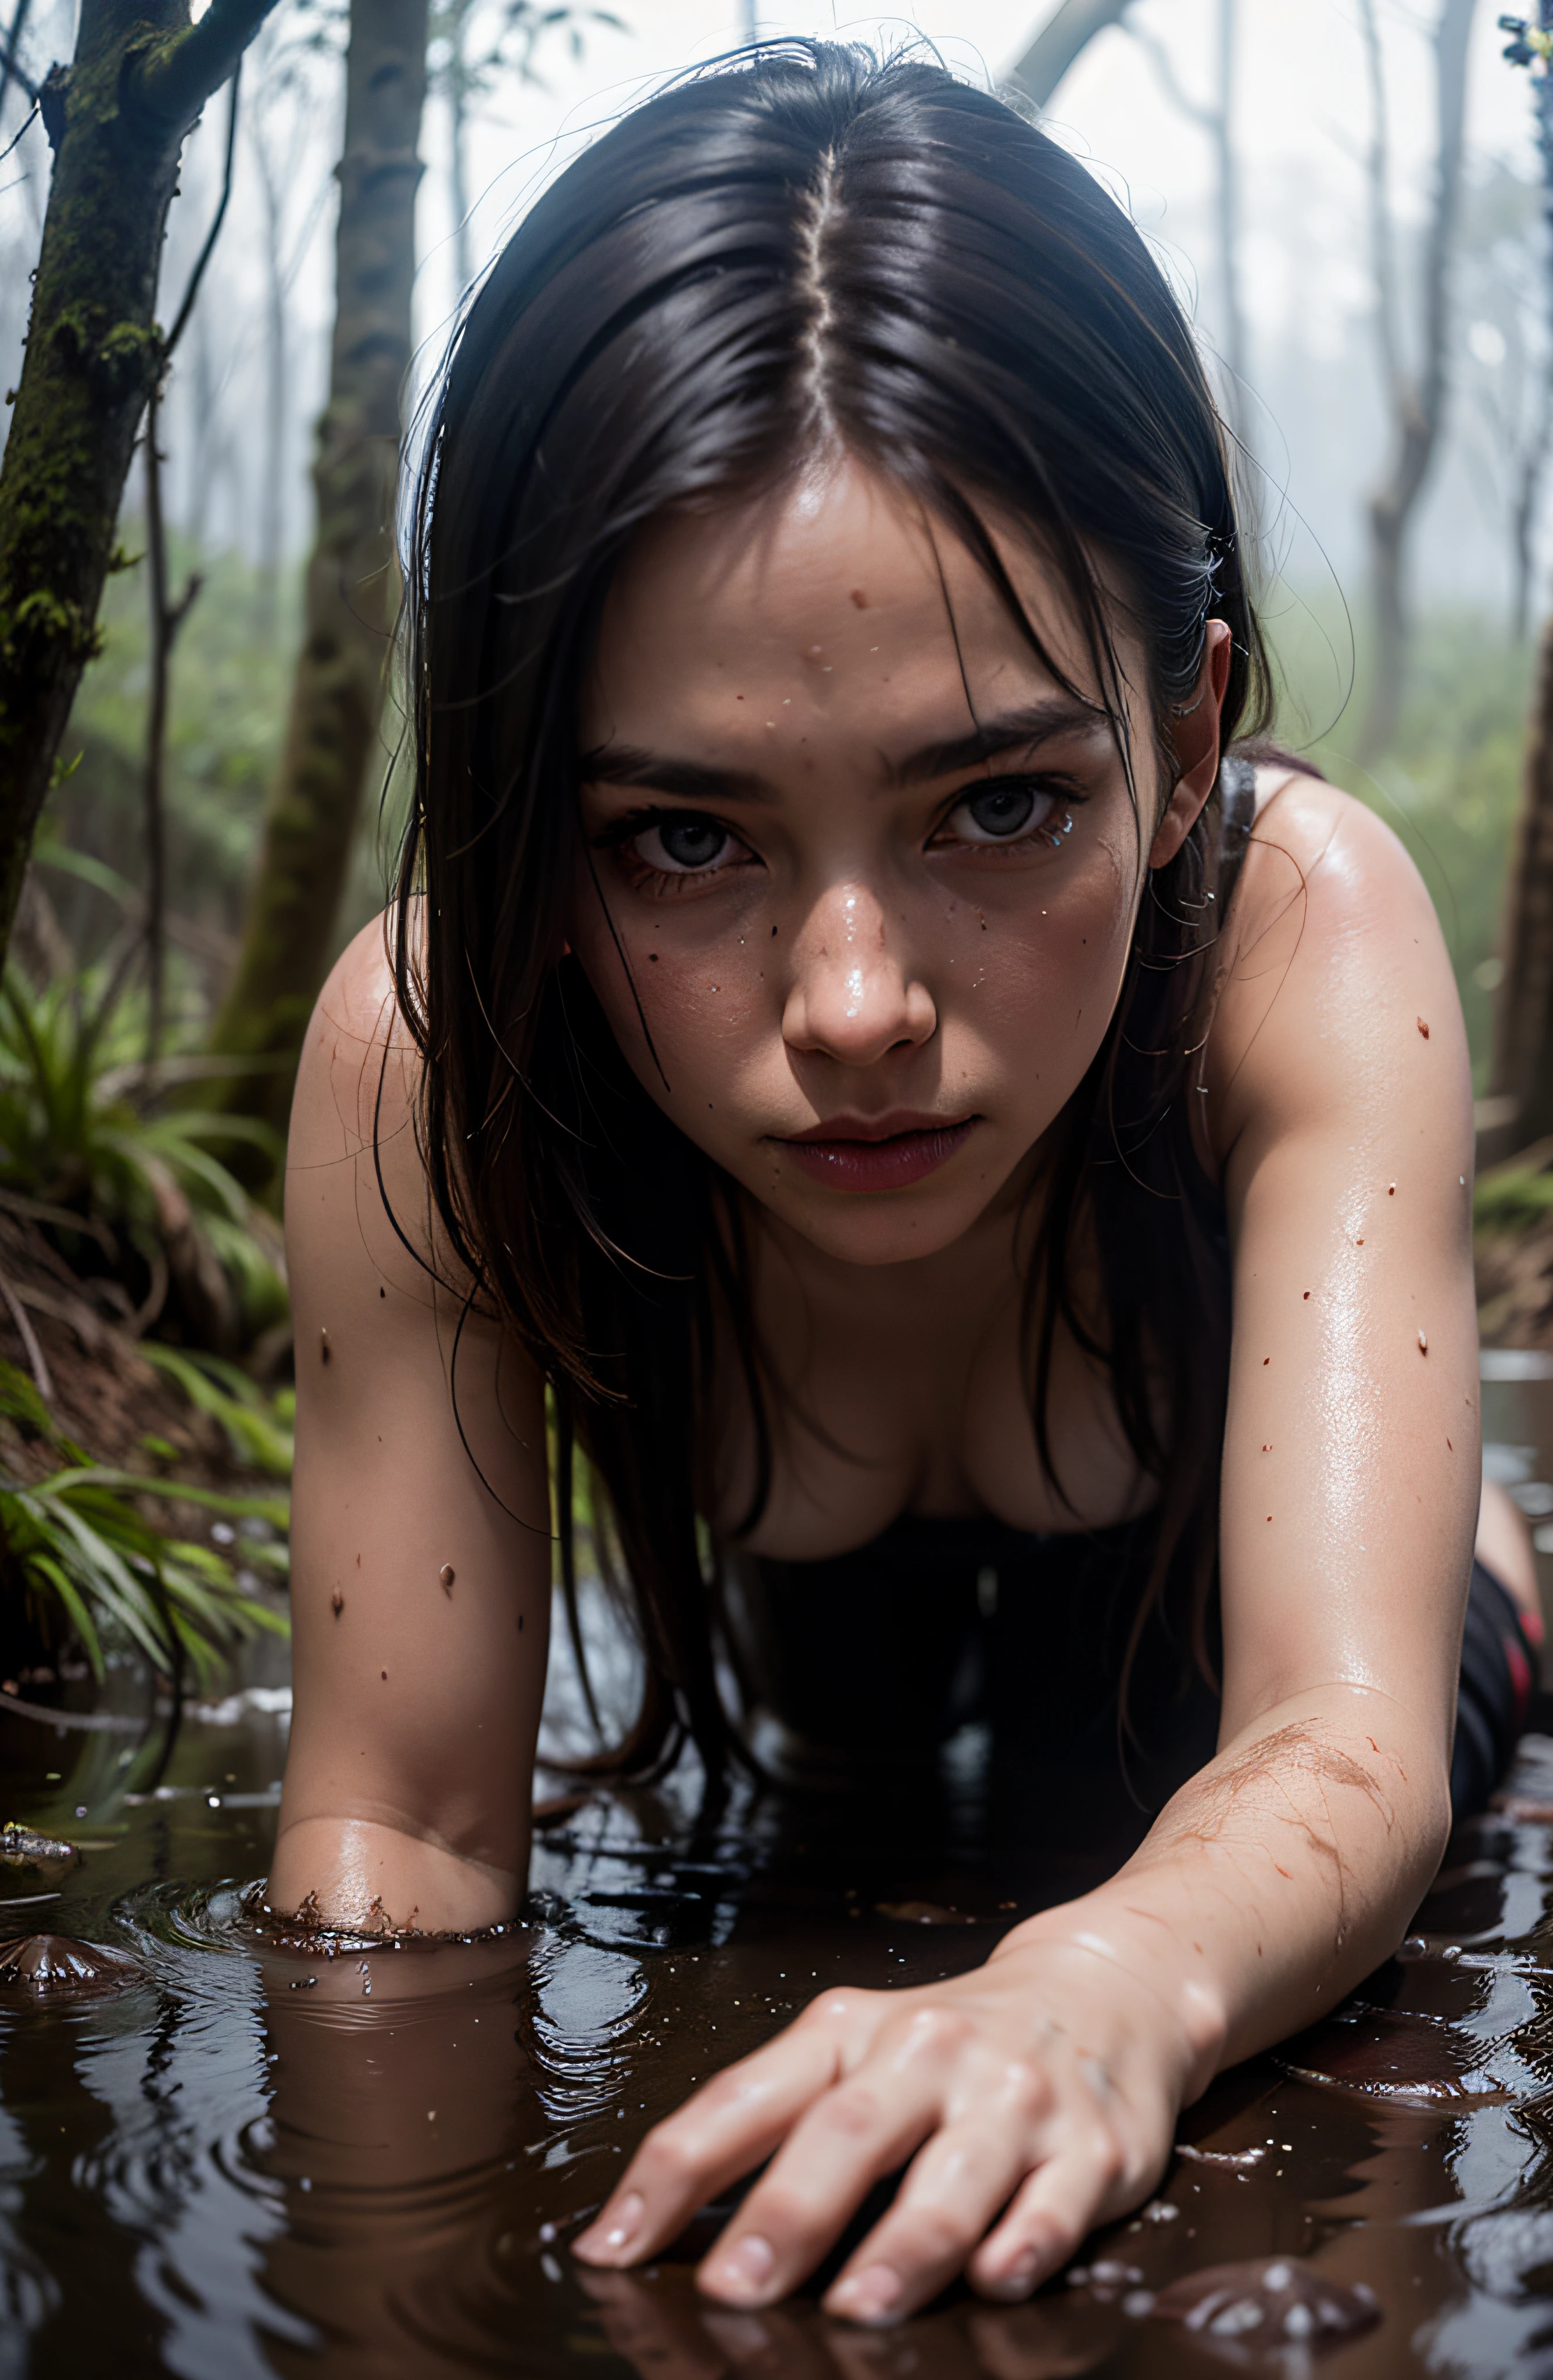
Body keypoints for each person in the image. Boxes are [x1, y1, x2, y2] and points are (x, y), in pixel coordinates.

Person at [267, 42, 1543, 2327]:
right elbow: (402, 1836)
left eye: (994, 809)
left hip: (1256, 1627)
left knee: (1161, 1772)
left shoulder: (1292, 925)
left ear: (1175, 746)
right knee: (847, 1783)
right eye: (683, 837)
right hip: (804, 1619)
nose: (852, 1002)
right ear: (533, 841)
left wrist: (1100, 1986)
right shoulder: (436, 1056)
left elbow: (1333, 1732)